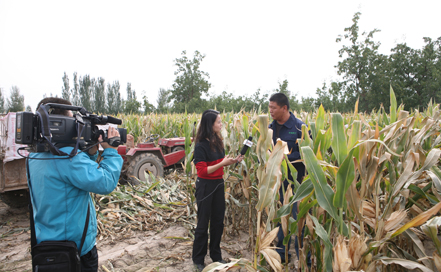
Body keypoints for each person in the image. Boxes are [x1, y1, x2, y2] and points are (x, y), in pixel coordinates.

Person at [27, 97, 124, 272]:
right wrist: (111, 151)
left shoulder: (34, 157)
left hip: (47, 243)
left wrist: (90, 153)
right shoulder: (67, 158)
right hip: (74, 250)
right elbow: (105, 182)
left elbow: (71, 176)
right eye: (73, 121)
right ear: (60, 124)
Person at [192, 109, 243, 272]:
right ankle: (198, 259)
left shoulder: (217, 141)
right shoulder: (200, 145)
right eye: (219, 122)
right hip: (205, 186)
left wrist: (232, 161)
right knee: (202, 223)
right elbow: (201, 171)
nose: (222, 124)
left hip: (218, 184)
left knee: (217, 222)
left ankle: (215, 255)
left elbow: (219, 162)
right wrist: (222, 163)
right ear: (210, 124)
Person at [268, 93, 310, 264]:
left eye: (273, 108)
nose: (270, 111)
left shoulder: (300, 127)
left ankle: (304, 258)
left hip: (298, 183)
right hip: (278, 183)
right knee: (280, 218)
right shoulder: (270, 128)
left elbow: (309, 153)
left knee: (300, 220)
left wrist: (285, 157)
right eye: (269, 107)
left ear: (284, 108)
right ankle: (282, 254)